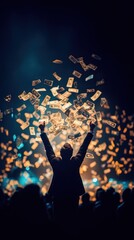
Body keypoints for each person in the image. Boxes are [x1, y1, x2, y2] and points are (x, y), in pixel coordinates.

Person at [39, 121, 96, 225]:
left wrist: (42, 131)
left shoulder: (56, 162)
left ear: (60, 153)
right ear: (71, 153)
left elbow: (48, 148)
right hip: (72, 195)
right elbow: (83, 148)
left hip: (58, 195)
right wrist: (91, 130)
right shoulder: (75, 162)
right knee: (72, 219)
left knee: (58, 219)